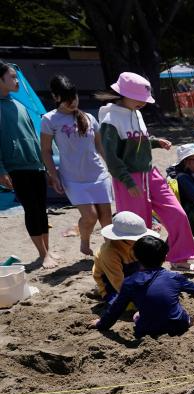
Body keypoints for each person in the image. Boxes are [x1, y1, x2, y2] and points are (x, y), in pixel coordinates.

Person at [100, 71, 194, 271]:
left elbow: (136, 142)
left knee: (177, 213)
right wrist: (128, 181)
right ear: (124, 95)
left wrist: (154, 142)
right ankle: (139, 267)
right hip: (128, 178)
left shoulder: (136, 112)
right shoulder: (110, 119)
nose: (143, 103)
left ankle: (179, 258)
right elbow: (111, 157)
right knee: (137, 225)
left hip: (150, 173)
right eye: (139, 98)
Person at [40, 74, 113, 257]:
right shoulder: (49, 119)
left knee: (106, 217)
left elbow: (100, 146)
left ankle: (111, 253)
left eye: (74, 97)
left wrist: (112, 166)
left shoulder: (89, 117)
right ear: (56, 97)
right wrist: (53, 175)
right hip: (73, 178)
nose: (72, 102)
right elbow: (46, 151)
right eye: (67, 99)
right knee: (90, 216)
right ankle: (84, 242)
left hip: (98, 174)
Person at [92, 235, 194, 339]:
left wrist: (100, 324)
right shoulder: (173, 276)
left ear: (136, 256)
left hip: (147, 330)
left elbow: (115, 310)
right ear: (164, 258)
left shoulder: (129, 282)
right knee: (175, 307)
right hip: (179, 325)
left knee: (138, 315)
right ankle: (188, 320)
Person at [0, 62, 58, 268]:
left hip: (36, 165)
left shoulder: (20, 104)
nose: (17, 81)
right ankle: (42, 254)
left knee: (42, 208)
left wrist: (46, 167)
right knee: (32, 209)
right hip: (16, 167)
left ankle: (47, 250)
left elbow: (34, 138)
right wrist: (2, 171)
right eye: (12, 77)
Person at [92, 211, 151, 300]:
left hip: (132, 274)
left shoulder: (136, 244)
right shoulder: (109, 252)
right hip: (110, 282)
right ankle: (101, 291)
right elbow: (118, 283)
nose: (141, 239)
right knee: (124, 304)